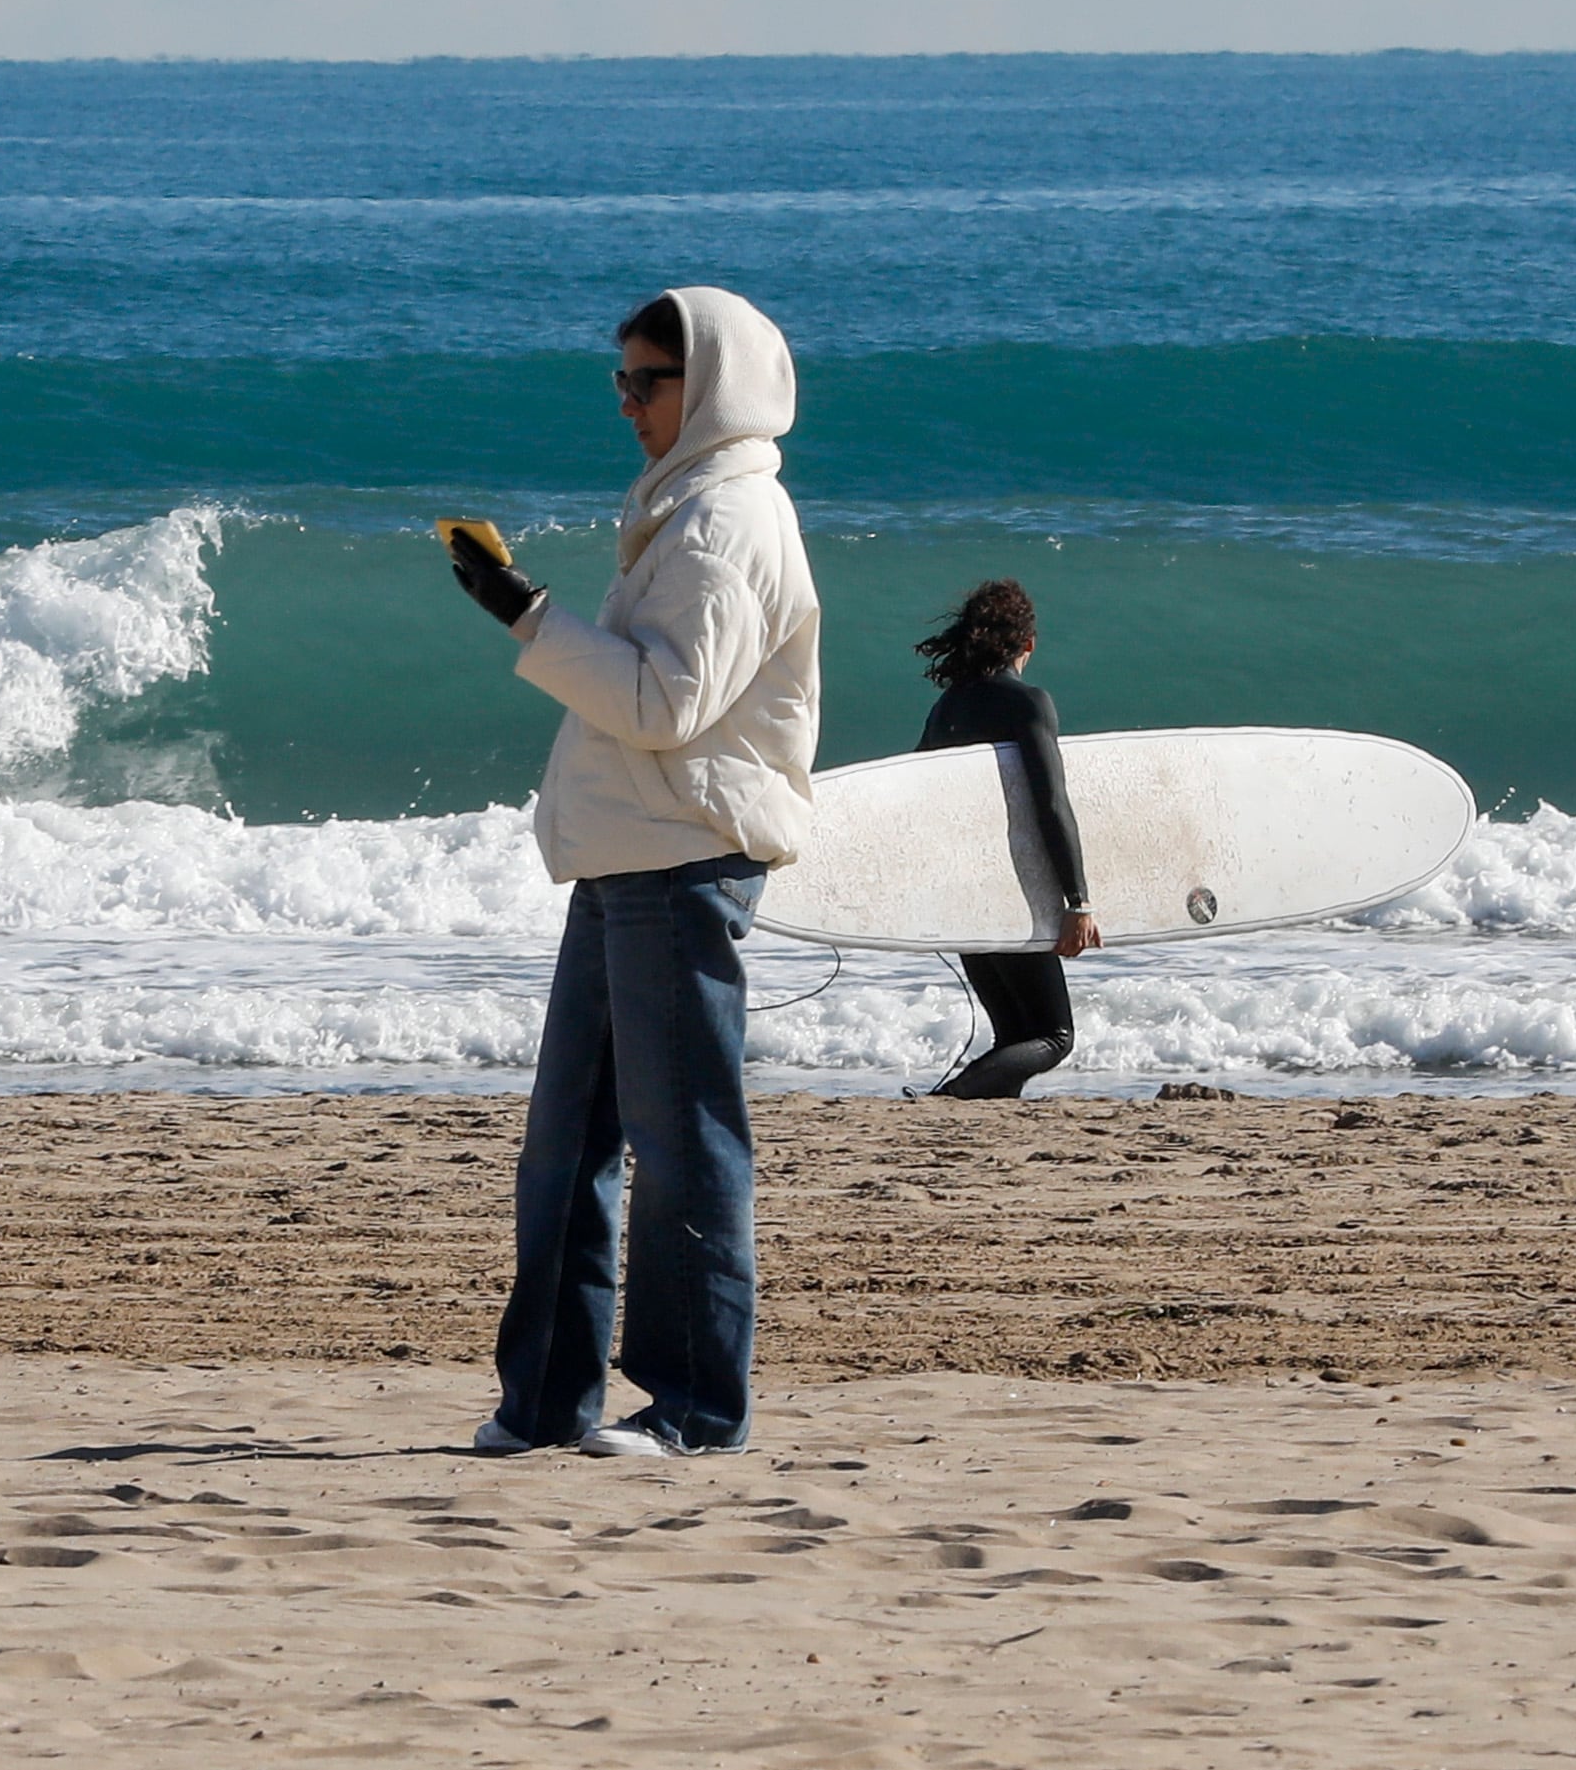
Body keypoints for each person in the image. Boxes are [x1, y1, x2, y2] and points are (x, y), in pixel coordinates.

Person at [446, 287, 820, 1459]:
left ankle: (700, 1406)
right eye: (619, 381)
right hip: (628, 857)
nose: (627, 404)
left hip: (681, 858)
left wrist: (526, 615)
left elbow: (664, 703)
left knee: (685, 1145)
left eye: (646, 382)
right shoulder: (680, 506)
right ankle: (548, 1398)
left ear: (708, 386)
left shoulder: (728, 523)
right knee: (567, 1142)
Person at [913, 579, 1101, 1098]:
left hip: (962, 891)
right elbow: (1050, 804)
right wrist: (1077, 900)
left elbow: (918, 800)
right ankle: (949, 1098)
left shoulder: (946, 709)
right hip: (1008, 891)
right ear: (1029, 644)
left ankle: (970, 1109)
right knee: (1052, 1036)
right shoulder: (1028, 704)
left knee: (1014, 1034)